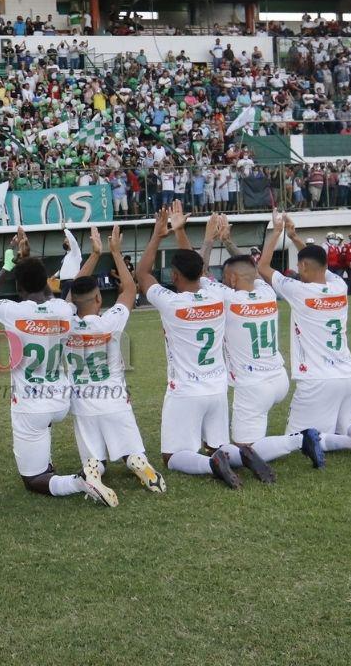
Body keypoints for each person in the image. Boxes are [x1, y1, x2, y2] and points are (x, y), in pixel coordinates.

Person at [135, 204, 272, 488]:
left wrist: (159, 235)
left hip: (186, 390)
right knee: (218, 444)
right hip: (216, 387)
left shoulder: (171, 302)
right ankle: (241, 454)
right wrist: (183, 232)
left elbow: (142, 273)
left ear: (173, 277)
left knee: (172, 457)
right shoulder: (216, 294)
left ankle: (213, 464)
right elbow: (198, 267)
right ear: (202, 273)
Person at [0, 227, 117, 506]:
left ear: (19, 289)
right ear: (46, 282)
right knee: (43, 432)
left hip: (31, 405)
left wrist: (8, 264)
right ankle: (61, 463)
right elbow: (63, 294)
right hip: (61, 399)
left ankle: (79, 481)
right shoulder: (64, 311)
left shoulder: (13, 311)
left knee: (33, 480)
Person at [256, 211, 351, 461]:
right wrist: (296, 237)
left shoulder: (298, 290)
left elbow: (263, 267)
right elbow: (321, 264)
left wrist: (277, 231)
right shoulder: (339, 286)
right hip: (346, 373)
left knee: (300, 439)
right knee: (342, 425)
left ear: (302, 267)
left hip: (317, 378)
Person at [190, 214, 325, 468]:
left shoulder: (227, 297)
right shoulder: (266, 291)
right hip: (278, 378)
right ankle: (297, 439)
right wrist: (228, 242)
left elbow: (199, 274)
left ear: (230, 280)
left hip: (253, 386)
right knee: (245, 445)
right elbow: (249, 268)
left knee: (244, 452)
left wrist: (208, 240)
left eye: (225, 276)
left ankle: (300, 440)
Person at [66, 227, 166, 492]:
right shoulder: (111, 321)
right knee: (131, 450)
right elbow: (130, 289)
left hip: (83, 403)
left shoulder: (66, 323)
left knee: (94, 459)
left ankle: (93, 472)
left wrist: (94, 256)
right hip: (115, 398)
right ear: (99, 298)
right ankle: (137, 461)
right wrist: (116, 254)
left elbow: (71, 296)